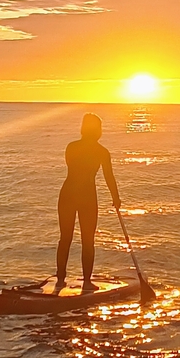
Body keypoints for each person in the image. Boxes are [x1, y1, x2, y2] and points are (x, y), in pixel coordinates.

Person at [55, 113, 122, 291]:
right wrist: (116, 198)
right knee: (87, 240)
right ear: (97, 130)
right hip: (87, 196)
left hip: (68, 193)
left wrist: (115, 196)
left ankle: (60, 280)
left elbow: (71, 165)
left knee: (65, 238)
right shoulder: (102, 152)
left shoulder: (71, 147)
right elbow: (109, 177)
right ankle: (86, 281)